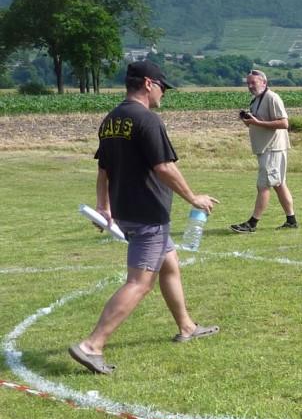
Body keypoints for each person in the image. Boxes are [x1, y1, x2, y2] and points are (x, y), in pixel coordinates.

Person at [69, 60, 220, 375]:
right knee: (139, 283)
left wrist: (104, 207)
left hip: (127, 211)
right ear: (149, 84)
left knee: (170, 265)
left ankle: (187, 326)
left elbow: (103, 169)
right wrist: (194, 197)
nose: (164, 93)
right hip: (148, 214)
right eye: (163, 87)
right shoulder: (147, 120)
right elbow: (163, 166)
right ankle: (92, 345)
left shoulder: (111, 120)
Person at [231, 69, 297, 232]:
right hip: (266, 148)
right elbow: (257, 123)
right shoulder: (256, 100)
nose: (250, 86)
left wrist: (257, 123)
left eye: (253, 82)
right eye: (248, 83)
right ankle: (291, 220)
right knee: (279, 184)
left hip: (272, 148)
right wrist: (248, 120)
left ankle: (252, 223)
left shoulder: (272, 98)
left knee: (263, 186)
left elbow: (284, 123)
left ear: (264, 82)